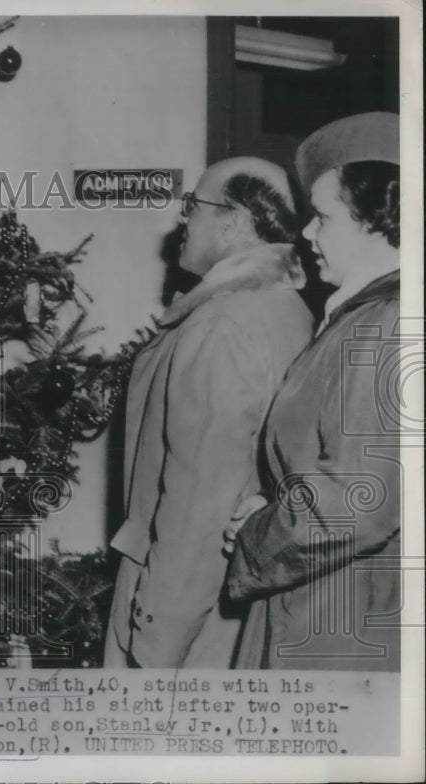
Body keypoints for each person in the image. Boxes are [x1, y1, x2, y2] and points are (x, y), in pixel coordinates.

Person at [104, 157, 314, 669]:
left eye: (192, 207)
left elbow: (196, 507)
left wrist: (154, 638)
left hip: (182, 606)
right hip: (233, 595)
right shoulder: (287, 306)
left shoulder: (221, 323)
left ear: (234, 222)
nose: (183, 220)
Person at [224, 112, 401, 672]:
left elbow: (360, 499)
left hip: (341, 621)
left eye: (323, 217)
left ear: (381, 220)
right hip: (325, 599)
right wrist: (280, 504)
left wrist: (258, 537)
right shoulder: (361, 314)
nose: (306, 233)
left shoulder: (388, 322)